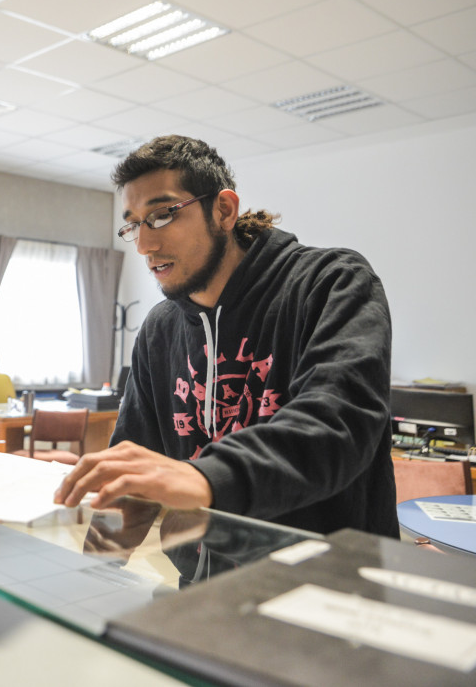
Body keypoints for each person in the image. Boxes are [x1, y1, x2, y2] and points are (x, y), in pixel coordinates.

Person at [55, 134, 397, 538]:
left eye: (163, 214)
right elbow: (135, 475)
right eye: (133, 224)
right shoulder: (159, 330)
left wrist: (206, 478)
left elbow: (337, 426)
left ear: (224, 210)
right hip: (202, 589)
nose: (145, 244)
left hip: (325, 584)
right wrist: (95, 574)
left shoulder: (331, 284)